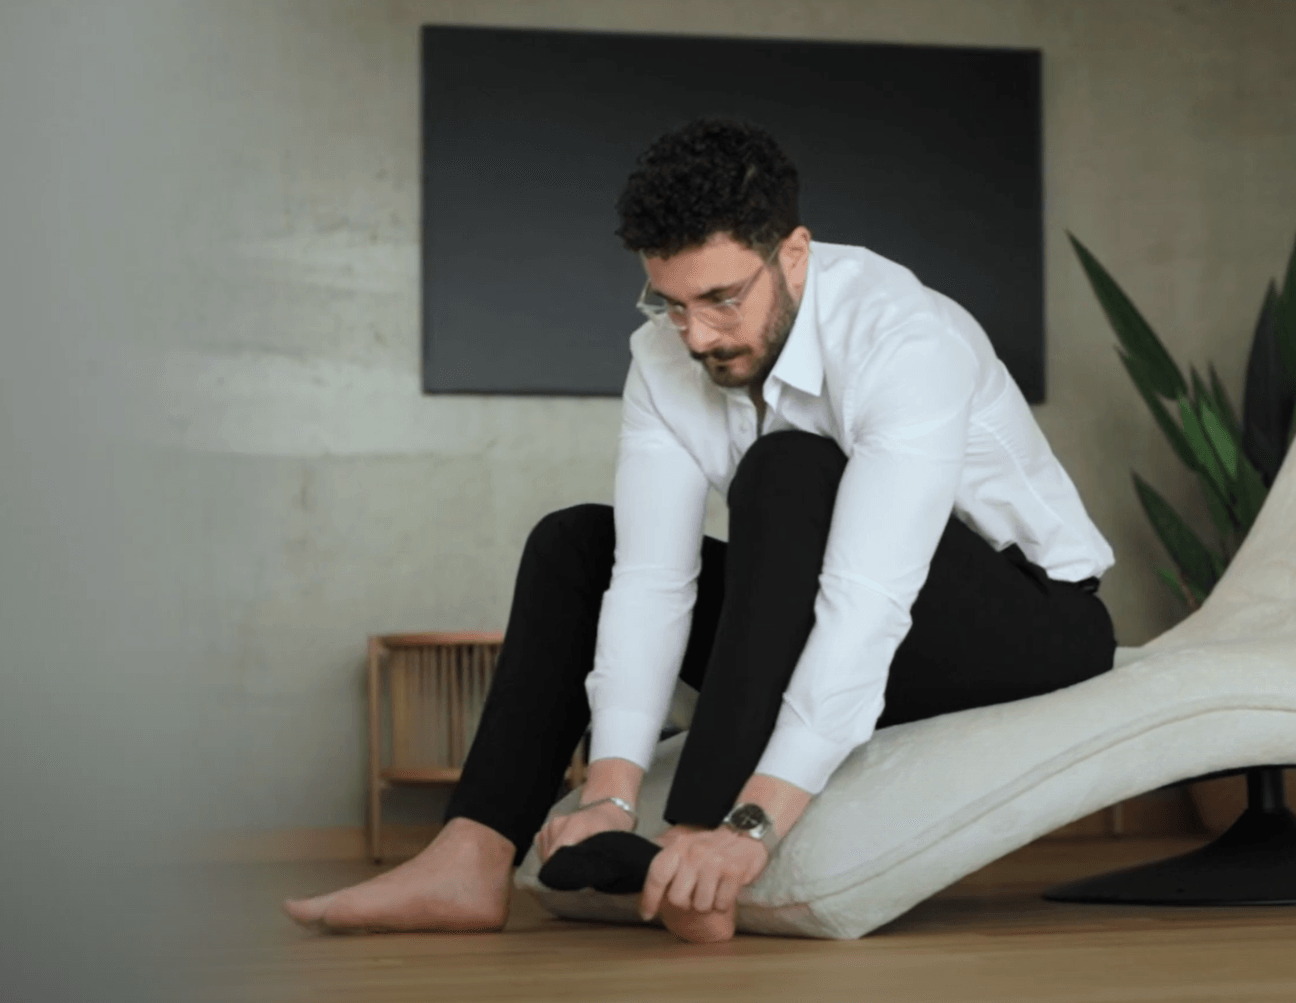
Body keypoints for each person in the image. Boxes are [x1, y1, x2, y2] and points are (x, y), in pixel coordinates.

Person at [284, 118, 1117, 944]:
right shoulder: (663, 355)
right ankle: (470, 854)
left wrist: (749, 823)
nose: (698, 335)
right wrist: (610, 792)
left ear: (794, 254)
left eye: (723, 299)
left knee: (789, 468)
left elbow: (867, 603)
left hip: (1029, 623)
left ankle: (690, 840)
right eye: (671, 302)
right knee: (577, 544)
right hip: (834, 613)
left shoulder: (901, 338)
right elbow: (653, 581)